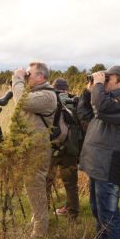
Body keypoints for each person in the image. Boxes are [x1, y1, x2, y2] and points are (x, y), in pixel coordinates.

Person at [78, 65, 120, 239]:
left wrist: (99, 86)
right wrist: (89, 91)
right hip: (99, 162)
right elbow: (84, 114)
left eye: (108, 79)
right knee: (98, 210)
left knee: (109, 213)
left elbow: (101, 108)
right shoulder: (108, 101)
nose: (103, 82)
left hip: (109, 164)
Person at [12, 62, 57, 238]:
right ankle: (38, 219)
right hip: (30, 144)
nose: (26, 76)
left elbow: (21, 101)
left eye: (29, 74)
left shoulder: (47, 95)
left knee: (35, 185)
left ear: (41, 77)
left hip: (37, 147)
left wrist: (17, 78)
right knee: (32, 185)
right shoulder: (37, 93)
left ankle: (40, 230)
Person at [46, 78, 80, 219]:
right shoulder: (74, 101)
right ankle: (73, 214)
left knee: (46, 181)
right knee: (71, 183)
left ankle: (43, 212)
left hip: (52, 148)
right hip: (70, 150)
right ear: (66, 89)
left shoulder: (49, 100)